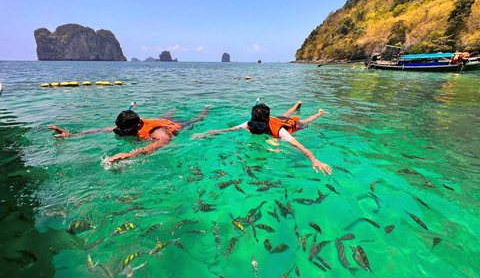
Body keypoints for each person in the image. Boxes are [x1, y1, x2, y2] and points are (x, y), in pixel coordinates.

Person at [192, 102, 332, 176]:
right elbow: (228, 130)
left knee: (306, 121)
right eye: (253, 125)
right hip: (277, 119)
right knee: (285, 114)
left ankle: (319, 113)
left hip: (289, 125)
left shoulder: (280, 131)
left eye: (259, 127)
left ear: (266, 122)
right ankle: (296, 106)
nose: (255, 130)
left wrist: (314, 159)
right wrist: (206, 133)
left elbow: (301, 147)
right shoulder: (249, 124)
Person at [48, 106, 211, 163]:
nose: (123, 134)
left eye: (127, 131)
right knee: (166, 116)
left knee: (197, 119)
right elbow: (102, 130)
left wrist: (131, 154)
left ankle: (206, 110)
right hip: (159, 120)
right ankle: (171, 112)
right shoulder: (128, 126)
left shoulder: (156, 132)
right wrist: (73, 135)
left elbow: (161, 142)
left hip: (176, 126)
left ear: (138, 126)